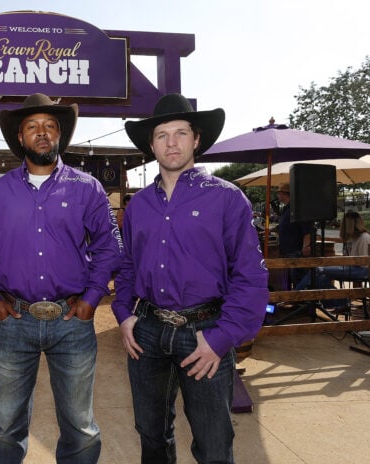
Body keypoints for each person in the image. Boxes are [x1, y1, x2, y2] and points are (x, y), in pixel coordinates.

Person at [0, 93, 122, 464]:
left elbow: (110, 247)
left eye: (50, 126)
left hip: (72, 322)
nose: (42, 133)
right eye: (32, 127)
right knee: (5, 425)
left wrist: (91, 299)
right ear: (20, 137)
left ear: (59, 136)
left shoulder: (88, 188)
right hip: (12, 322)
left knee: (80, 426)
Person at [112, 93, 268, 463]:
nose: (171, 142)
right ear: (151, 144)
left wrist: (222, 338)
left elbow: (250, 276)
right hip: (147, 332)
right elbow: (128, 265)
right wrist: (124, 314)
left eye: (180, 133)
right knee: (151, 436)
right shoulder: (139, 206)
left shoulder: (228, 199)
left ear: (196, 139)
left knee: (214, 445)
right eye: (162, 134)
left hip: (205, 332)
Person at [294, 210, 370, 309]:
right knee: (320, 279)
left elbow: (364, 263)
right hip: (353, 267)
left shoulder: (364, 238)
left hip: (363, 270)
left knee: (318, 270)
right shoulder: (352, 238)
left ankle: (294, 297)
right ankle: (339, 303)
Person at [276, 182, 314, 288]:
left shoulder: (297, 209)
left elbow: (307, 230)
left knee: (299, 279)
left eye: (279, 193)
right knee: (291, 278)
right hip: (288, 251)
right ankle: (295, 301)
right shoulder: (286, 209)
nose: (278, 196)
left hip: (296, 251)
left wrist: (306, 246)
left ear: (285, 193)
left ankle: (302, 302)